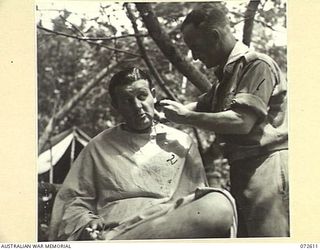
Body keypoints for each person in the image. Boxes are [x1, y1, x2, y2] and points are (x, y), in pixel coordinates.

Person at [48, 67, 237, 241]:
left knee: (218, 205)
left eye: (142, 96)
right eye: (127, 100)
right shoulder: (97, 146)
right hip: (114, 227)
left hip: (165, 226)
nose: (137, 106)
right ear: (116, 106)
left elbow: (194, 200)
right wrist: (87, 222)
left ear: (153, 96)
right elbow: (72, 200)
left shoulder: (181, 141)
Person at [160, 3, 289, 237]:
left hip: (267, 166)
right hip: (243, 167)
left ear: (214, 36)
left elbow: (242, 121)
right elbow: (200, 105)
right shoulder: (226, 77)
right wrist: (162, 115)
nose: (194, 56)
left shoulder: (256, 65)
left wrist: (186, 117)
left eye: (195, 47)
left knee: (270, 239)